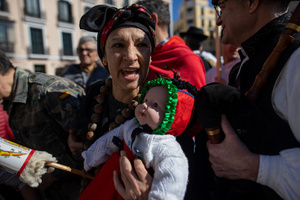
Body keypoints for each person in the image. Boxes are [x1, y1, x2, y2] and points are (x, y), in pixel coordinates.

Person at [195, 0, 300, 199]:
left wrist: (253, 167)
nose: (218, 20)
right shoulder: (246, 64)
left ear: (251, 3)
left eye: (221, 6)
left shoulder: (296, 61)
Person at [80, 78, 196, 200]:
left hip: (135, 187)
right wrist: (91, 157)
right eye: (145, 100)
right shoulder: (131, 125)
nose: (145, 105)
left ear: (171, 115)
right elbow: (109, 140)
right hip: (112, 175)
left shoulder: (166, 147)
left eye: (155, 105)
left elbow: (173, 177)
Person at [0, 50, 85, 200]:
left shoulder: (50, 90)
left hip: (80, 190)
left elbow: (92, 146)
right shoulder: (10, 100)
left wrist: (53, 175)